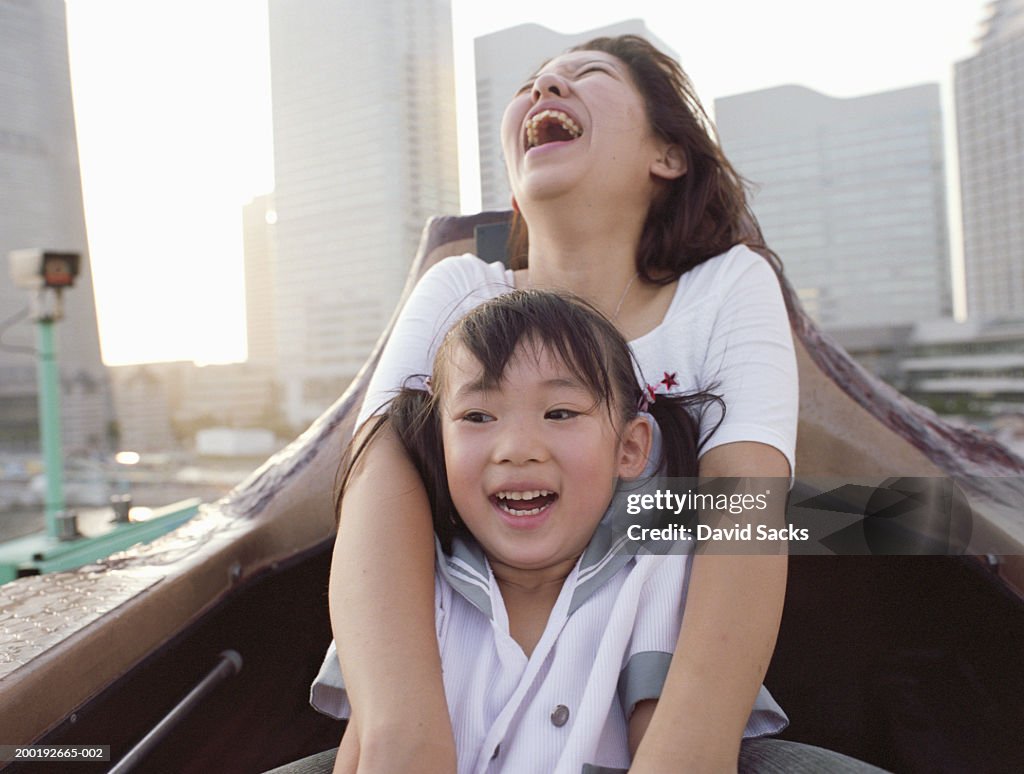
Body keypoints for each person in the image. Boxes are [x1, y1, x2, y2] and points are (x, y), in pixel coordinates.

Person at [296, 34, 887, 774]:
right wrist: (402, 733)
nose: (545, 90)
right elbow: (378, 480)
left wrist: (688, 746)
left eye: (587, 76)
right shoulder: (459, 290)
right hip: (451, 698)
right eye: (532, 84)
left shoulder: (728, 287)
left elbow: (746, 510)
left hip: (651, 707)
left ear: (666, 155)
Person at [317, 288, 759, 772]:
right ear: (438, 448)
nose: (517, 448)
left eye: (560, 413)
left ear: (629, 449)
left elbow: (673, 751)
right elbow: (371, 753)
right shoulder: (409, 592)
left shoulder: (652, 577)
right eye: (478, 417)